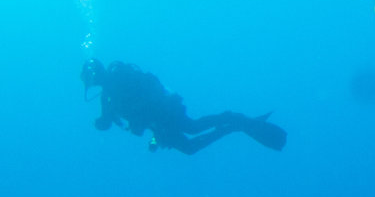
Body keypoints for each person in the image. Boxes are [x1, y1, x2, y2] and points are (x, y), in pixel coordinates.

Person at [80, 59, 287, 155]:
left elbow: (147, 94)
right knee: (190, 147)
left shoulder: (121, 77)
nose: (91, 82)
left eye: (89, 78)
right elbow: (108, 121)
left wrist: (141, 121)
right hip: (158, 123)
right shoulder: (106, 98)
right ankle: (233, 125)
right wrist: (101, 123)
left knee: (193, 128)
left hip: (166, 111)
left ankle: (232, 119)